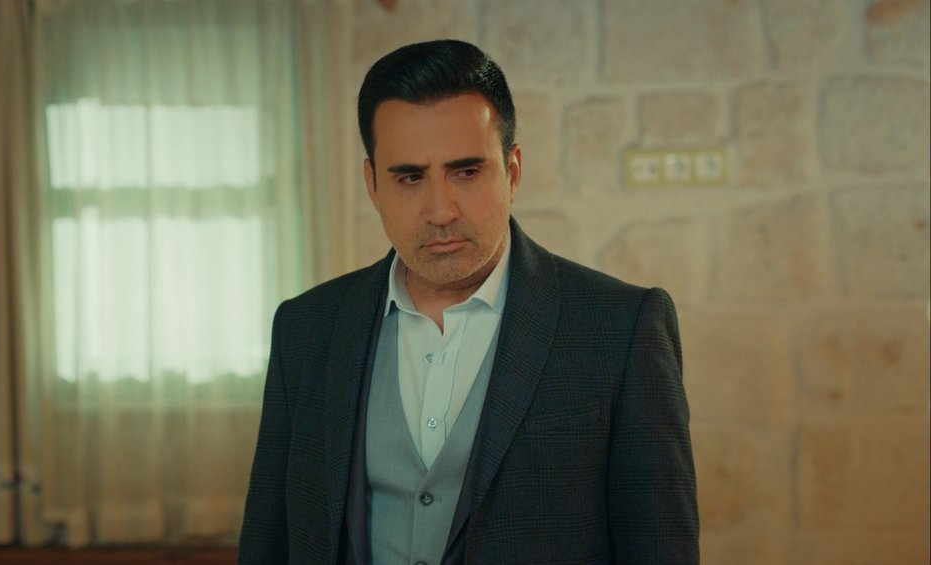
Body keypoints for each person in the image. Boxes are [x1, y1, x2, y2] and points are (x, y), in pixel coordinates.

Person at [238, 39, 698, 564]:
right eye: (410, 177)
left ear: (513, 171)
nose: (440, 211)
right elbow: (268, 539)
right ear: (372, 185)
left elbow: (660, 548)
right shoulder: (305, 327)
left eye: (466, 171)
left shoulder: (622, 329)